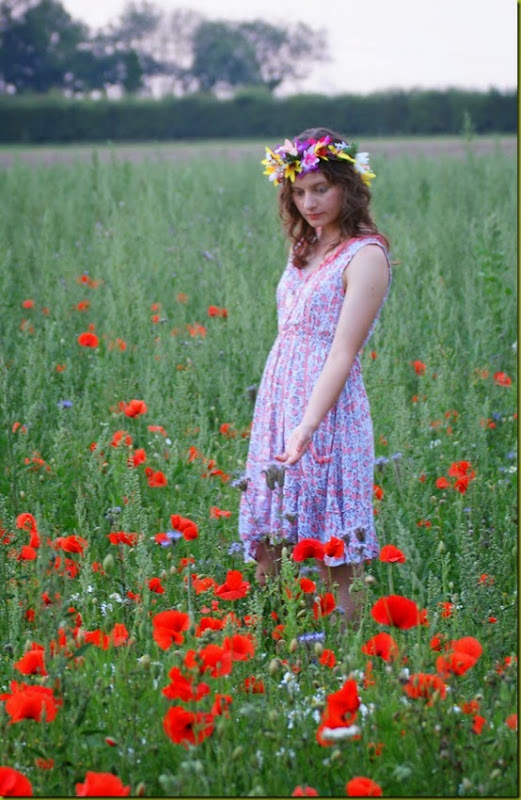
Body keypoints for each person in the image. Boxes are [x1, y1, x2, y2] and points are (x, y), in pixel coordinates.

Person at [238, 127, 391, 625]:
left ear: (347, 185)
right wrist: (285, 416)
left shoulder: (365, 256)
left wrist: (306, 425)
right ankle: (273, 647)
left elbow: (343, 353)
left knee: (333, 548)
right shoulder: (304, 246)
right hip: (280, 398)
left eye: (321, 188)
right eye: (299, 191)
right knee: (270, 536)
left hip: (328, 409)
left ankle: (347, 654)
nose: (309, 202)